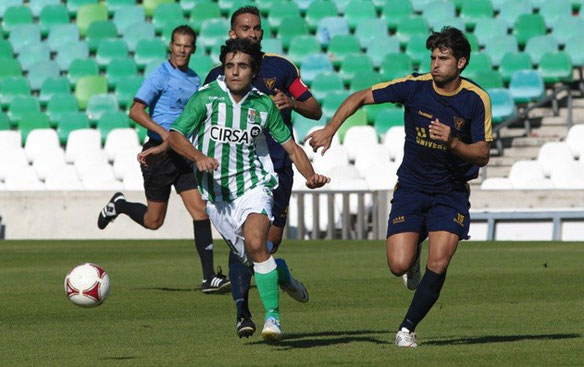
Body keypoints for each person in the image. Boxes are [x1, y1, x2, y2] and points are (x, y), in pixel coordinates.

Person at [307, 27, 492, 347]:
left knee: (440, 262)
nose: (435, 64)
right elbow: (360, 96)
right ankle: (415, 248)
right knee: (398, 265)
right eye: (433, 57)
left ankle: (407, 328)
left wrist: (452, 142)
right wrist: (330, 129)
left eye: (443, 58)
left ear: (461, 62)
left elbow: (483, 153)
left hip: (451, 191)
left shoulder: (476, 99)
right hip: (412, 187)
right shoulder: (414, 87)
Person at [142, 38, 329, 341]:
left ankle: (273, 318)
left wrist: (311, 175)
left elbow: (292, 149)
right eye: (230, 66)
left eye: (242, 66)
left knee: (257, 242)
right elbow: (177, 136)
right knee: (257, 257)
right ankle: (282, 273)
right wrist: (198, 157)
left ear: (254, 71)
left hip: (254, 186)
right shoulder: (206, 98)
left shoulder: (263, 104)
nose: (234, 72)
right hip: (217, 199)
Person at [203, 6, 323, 338]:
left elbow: (314, 109)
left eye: (257, 28)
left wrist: (293, 103)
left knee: (265, 247)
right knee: (247, 243)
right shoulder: (217, 75)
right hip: (235, 173)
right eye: (245, 28)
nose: (252, 34)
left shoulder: (281, 68)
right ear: (232, 33)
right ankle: (244, 313)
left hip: (278, 167)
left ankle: (279, 272)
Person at [97, 25, 230, 294]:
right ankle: (120, 205)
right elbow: (135, 111)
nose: (182, 50)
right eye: (178, 45)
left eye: (187, 46)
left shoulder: (194, 79)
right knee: (153, 222)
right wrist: (165, 134)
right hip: (158, 154)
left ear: (193, 48)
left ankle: (208, 278)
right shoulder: (160, 75)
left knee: (200, 211)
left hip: (182, 154)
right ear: (171, 46)